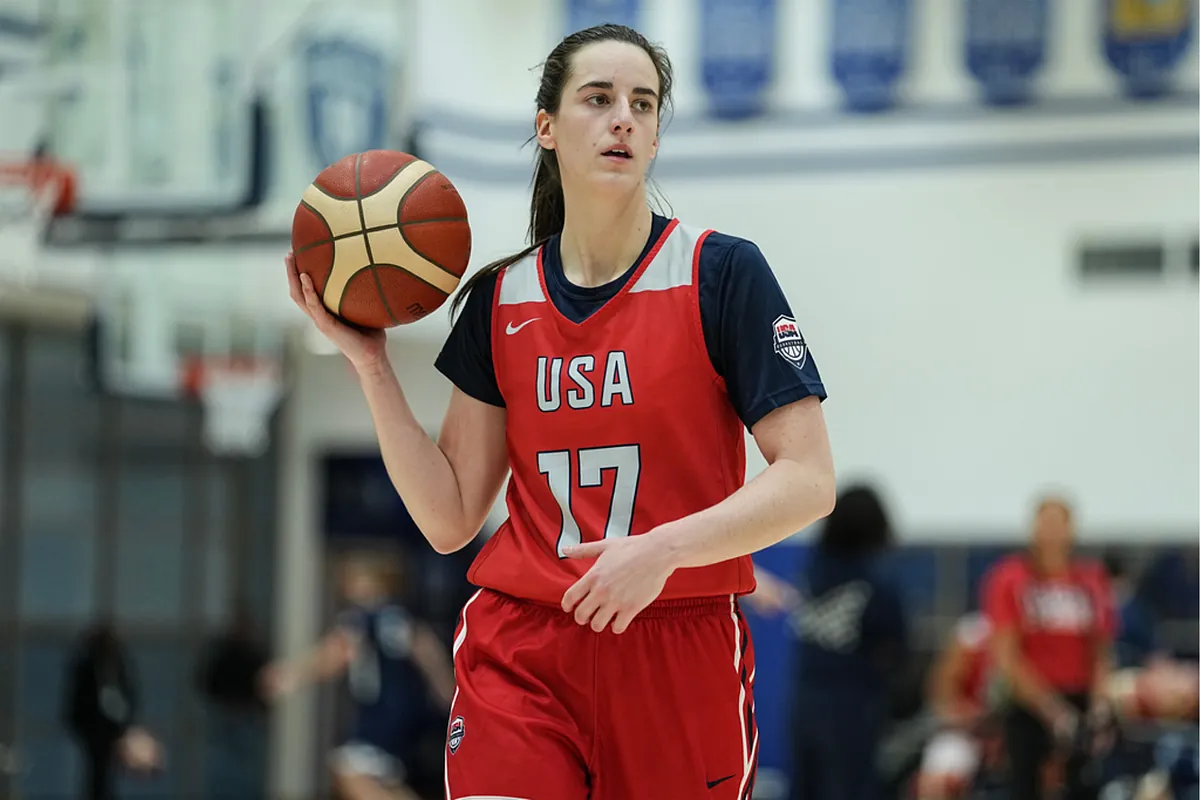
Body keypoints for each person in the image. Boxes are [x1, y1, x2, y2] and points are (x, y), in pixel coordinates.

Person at [284, 22, 835, 799]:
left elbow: (809, 479)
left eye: (643, 104)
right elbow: (449, 517)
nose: (623, 119)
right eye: (599, 99)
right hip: (527, 645)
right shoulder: (500, 299)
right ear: (546, 126)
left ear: (656, 134)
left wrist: (662, 550)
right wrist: (371, 366)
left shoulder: (721, 273)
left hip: (677, 645)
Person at [261, 552, 455, 800]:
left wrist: (292, 675)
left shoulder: (364, 618)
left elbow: (335, 652)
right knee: (381, 780)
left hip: (380, 714)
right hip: (397, 713)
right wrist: (445, 687)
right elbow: (426, 648)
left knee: (348, 771)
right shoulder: (397, 616)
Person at [981, 495, 1116, 800]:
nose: (1052, 532)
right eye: (1046, 523)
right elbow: (1007, 655)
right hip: (1029, 705)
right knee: (1024, 785)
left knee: (1083, 785)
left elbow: (1100, 649)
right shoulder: (1010, 578)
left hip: (1079, 698)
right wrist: (1052, 711)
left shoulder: (1090, 579)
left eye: (1059, 523)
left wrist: (1100, 704)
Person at [787, 483, 909, 800]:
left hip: (804, 699)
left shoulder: (811, 572)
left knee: (805, 785)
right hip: (853, 704)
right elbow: (896, 648)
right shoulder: (876, 583)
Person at [62, 622, 164, 800]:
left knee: (99, 773)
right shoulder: (110, 666)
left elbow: (78, 700)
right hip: (99, 728)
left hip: (99, 728)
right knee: (100, 773)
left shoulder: (101, 666)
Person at [914, 612, 999, 799]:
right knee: (940, 772)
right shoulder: (975, 632)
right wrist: (967, 715)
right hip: (973, 728)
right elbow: (942, 689)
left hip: (1022, 725)